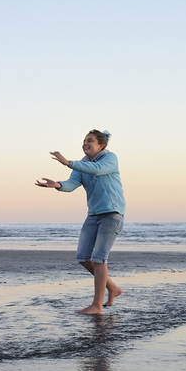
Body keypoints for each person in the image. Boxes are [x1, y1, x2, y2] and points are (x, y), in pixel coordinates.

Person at [36, 129, 126, 315]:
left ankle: (96, 306)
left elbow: (97, 170)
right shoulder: (82, 165)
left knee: (100, 258)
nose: (85, 143)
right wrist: (58, 185)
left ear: (101, 145)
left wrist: (68, 163)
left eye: (90, 140)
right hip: (93, 215)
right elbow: (71, 184)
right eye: (84, 140)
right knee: (83, 257)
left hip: (112, 214)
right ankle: (114, 289)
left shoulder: (110, 159)